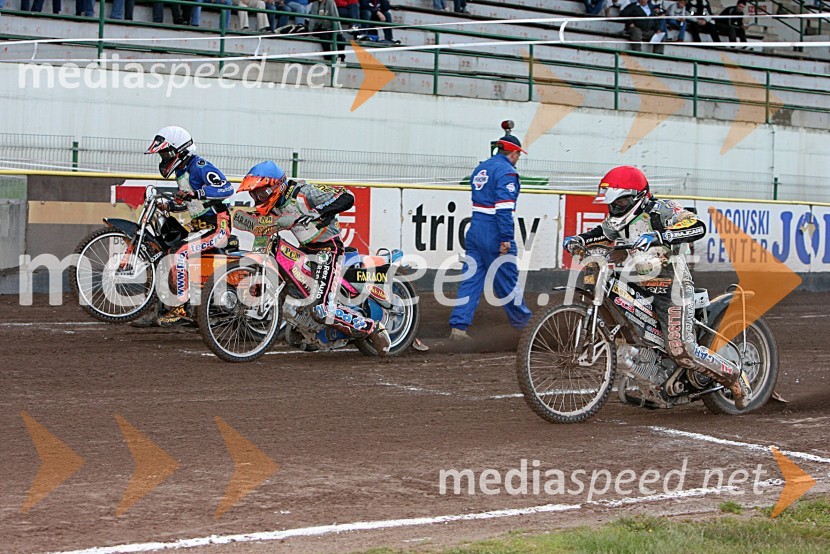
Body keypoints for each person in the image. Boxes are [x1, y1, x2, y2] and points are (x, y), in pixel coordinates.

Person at [562, 166, 752, 409]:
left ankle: (734, 376)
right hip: (638, 279)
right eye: (613, 203)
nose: (617, 207)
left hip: (671, 283)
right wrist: (581, 239)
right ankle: (651, 372)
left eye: (622, 201)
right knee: (619, 314)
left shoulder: (661, 210)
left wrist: (661, 236)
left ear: (638, 197)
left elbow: (697, 227)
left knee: (682, 349)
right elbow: (603, 233)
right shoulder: (617, 219)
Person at [237, 161, 392, 355]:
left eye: (260, 193)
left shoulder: (304, 192)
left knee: (322, 309)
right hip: (306, 251)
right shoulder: (273, 206)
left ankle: (372, 328)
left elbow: (347, 196)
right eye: (254, 194)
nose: (257, 198)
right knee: (293, 288)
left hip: (329, 249)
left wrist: (320, 213)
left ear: (276, 186)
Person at [448, 127, 533, 340]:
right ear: (513, 154)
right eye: (518, 156)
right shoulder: (506, 172)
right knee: (507, 281)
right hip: (494, 230)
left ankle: (458, 327)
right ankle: (526, 326)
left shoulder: (481, 169)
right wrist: (505, 238)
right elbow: (503, 208)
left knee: (471, 279)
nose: (518, 160)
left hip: (476, 228)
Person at [144, 126, 234, 326]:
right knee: (168, 251)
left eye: (166, 152)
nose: (164, 157)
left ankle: (181, 308)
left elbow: (226, 188)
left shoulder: (200, 166)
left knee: (181, 253)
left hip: (218, 226)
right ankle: (166, 306)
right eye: (162, 154)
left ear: (180, 150)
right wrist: (168, 205)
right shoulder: (182, 171)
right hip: (199, 228)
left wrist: (198, 193)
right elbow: (190, 204)